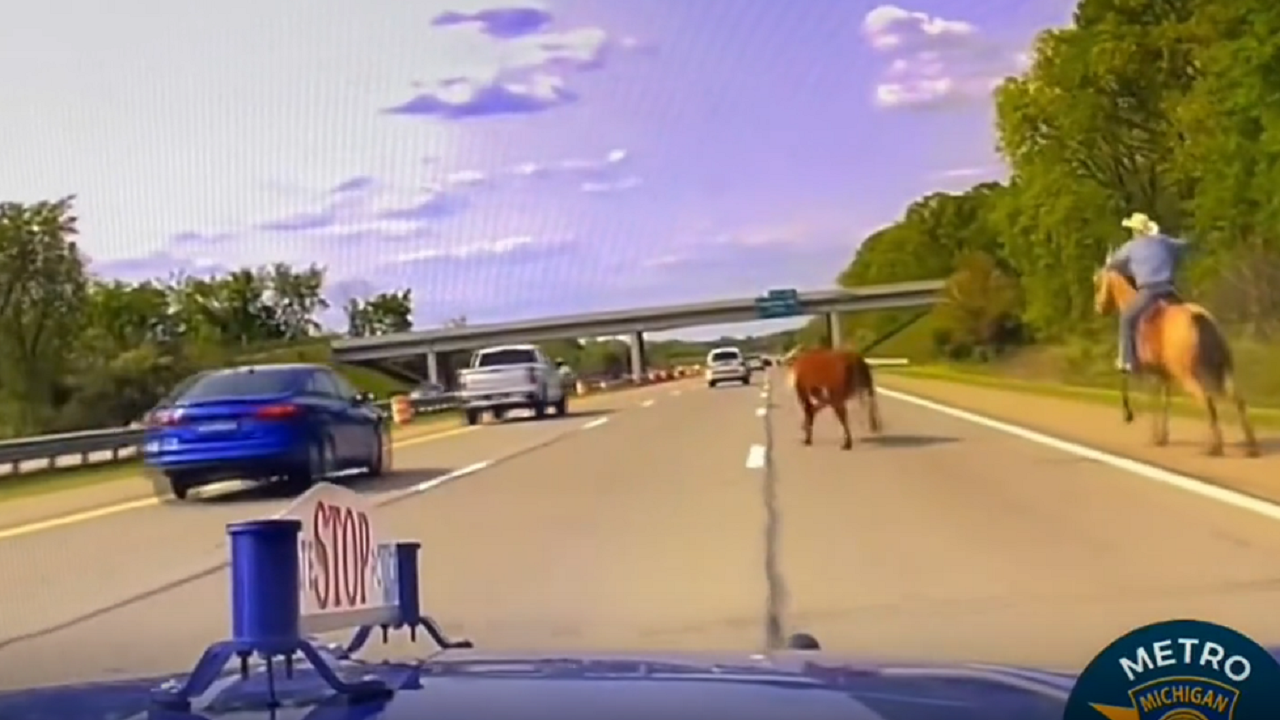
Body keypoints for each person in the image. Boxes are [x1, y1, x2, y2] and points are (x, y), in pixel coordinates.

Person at [1106, 212, 1189, 373]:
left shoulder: (1130, 247)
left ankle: (1127, 360)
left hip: (1150, 292)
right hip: (1170, 290)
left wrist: (1111, 263)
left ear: (1136, 231)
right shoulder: (1164, 241)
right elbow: (1184, 246)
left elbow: (1114, 264)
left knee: (1127, 318)